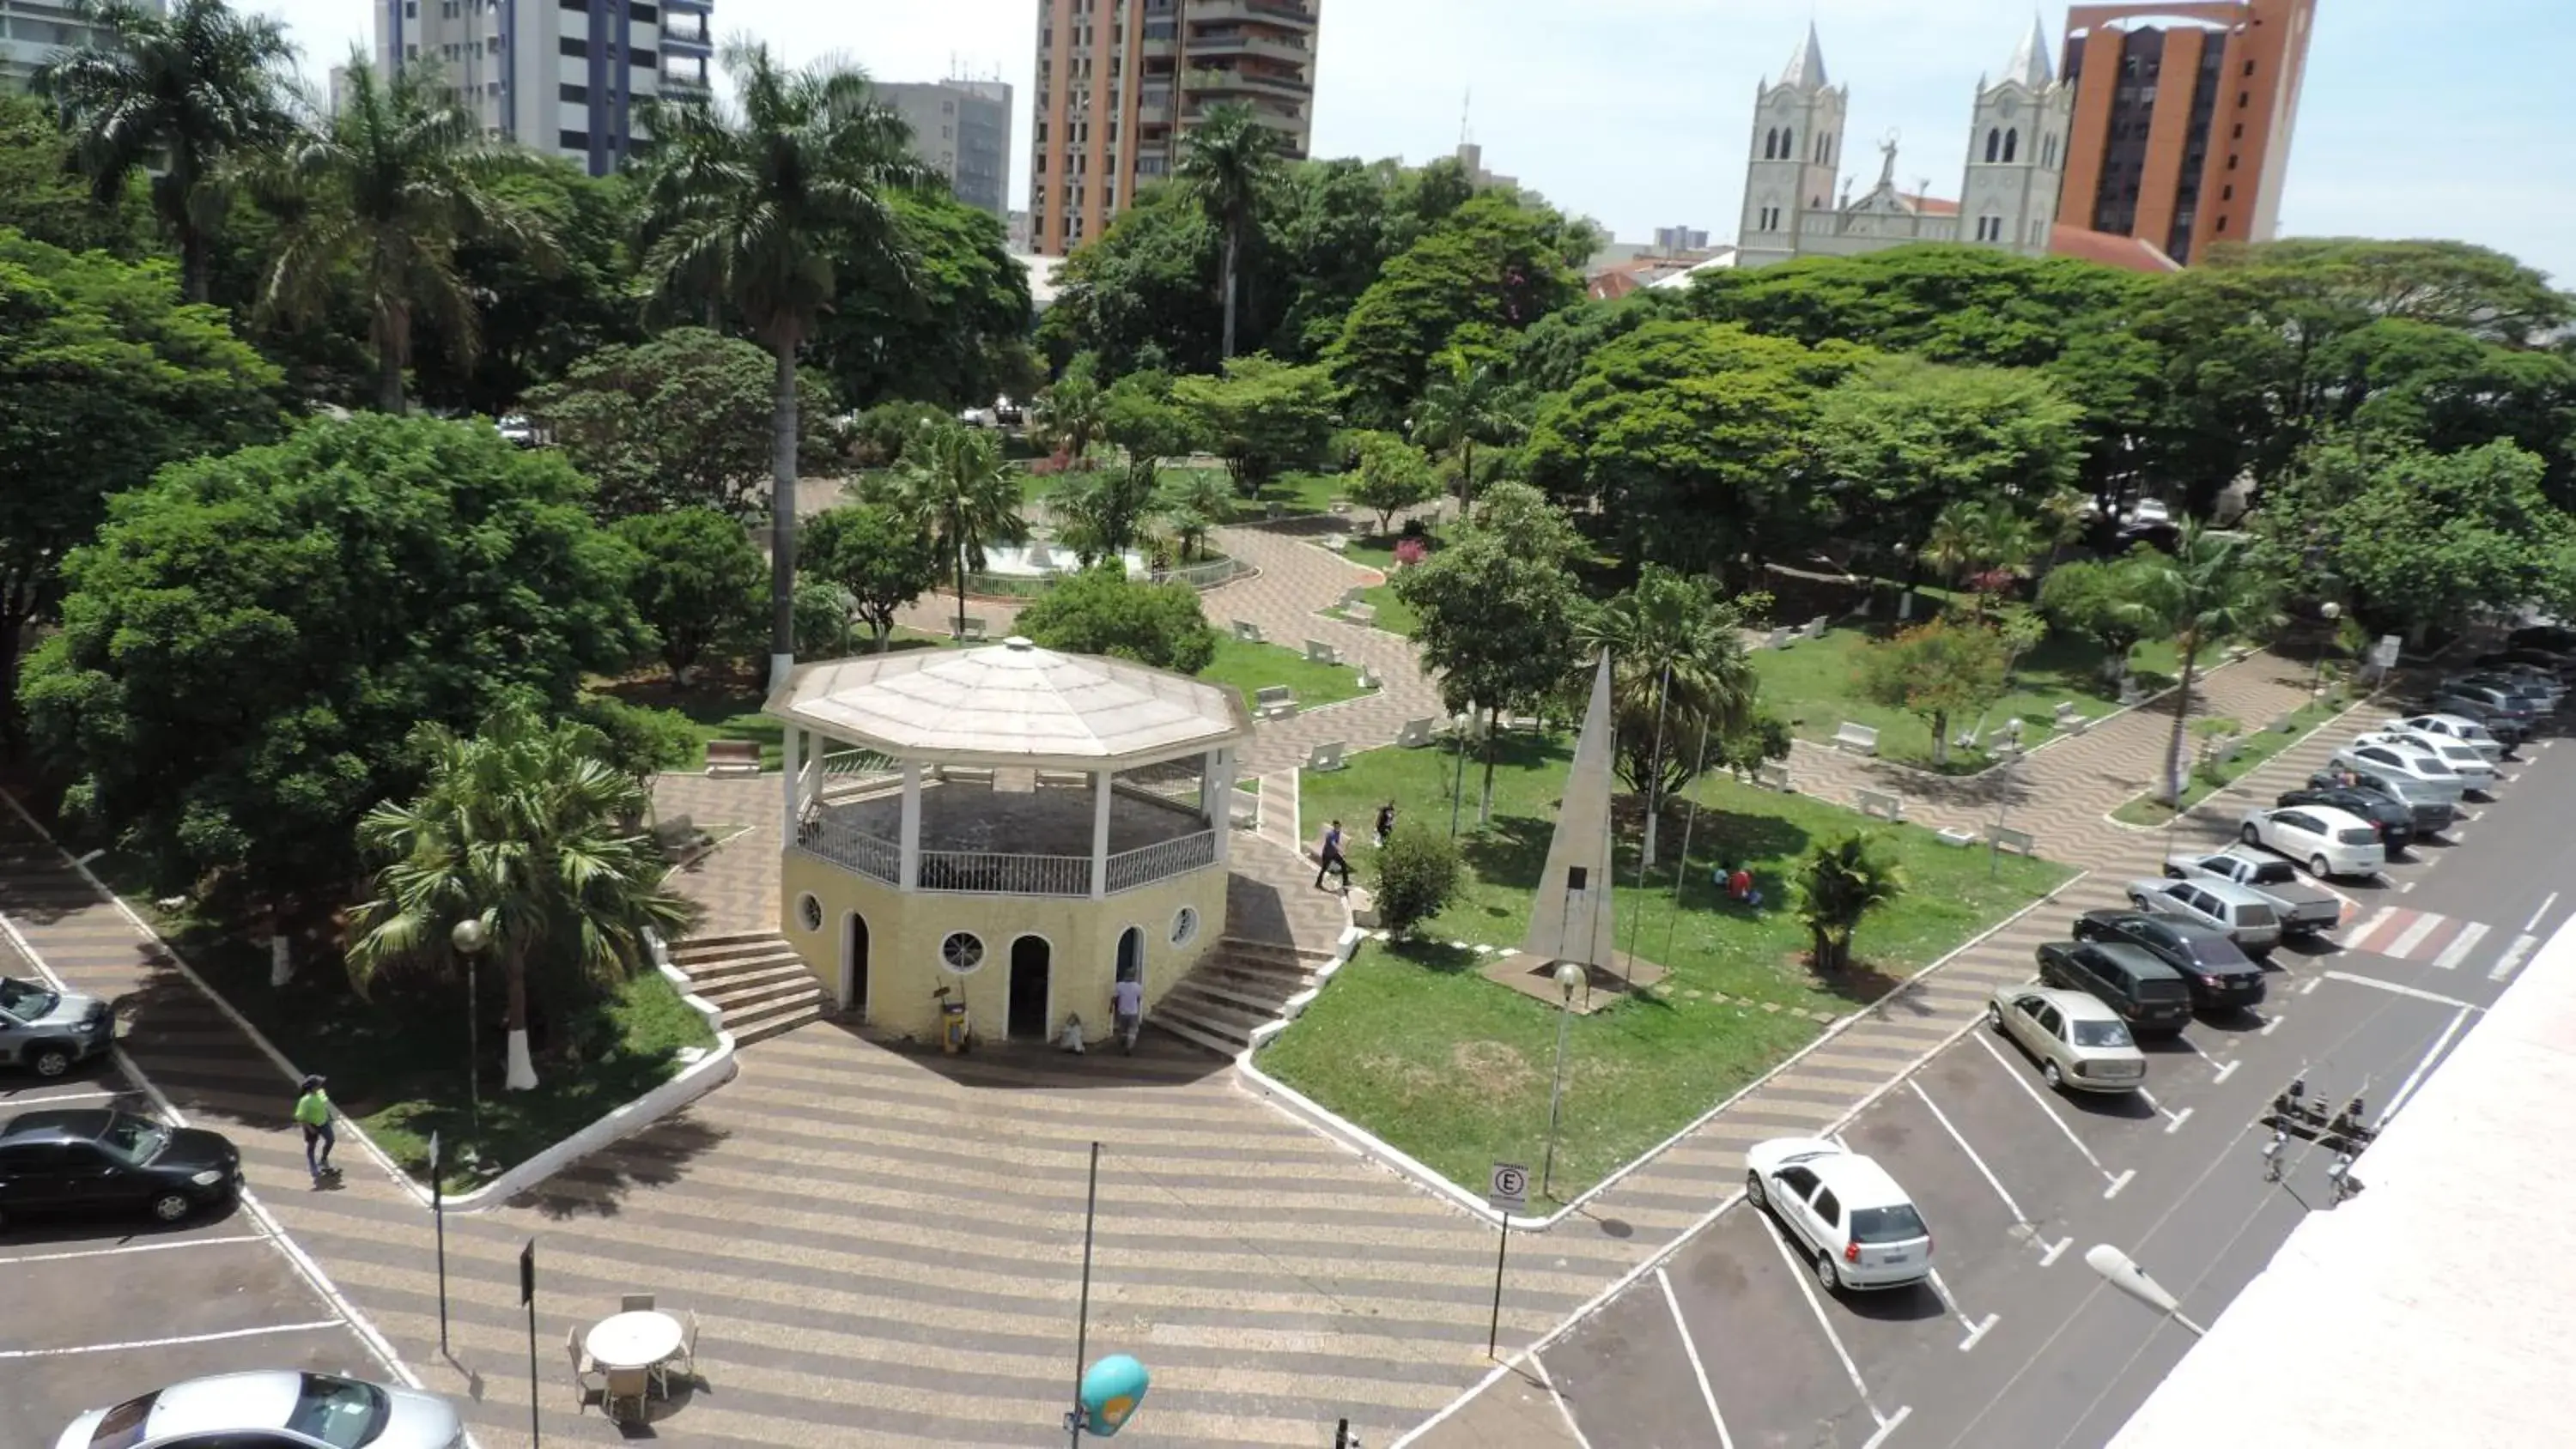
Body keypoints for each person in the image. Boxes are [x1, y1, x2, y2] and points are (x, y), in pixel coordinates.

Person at [294, 1076, 337, 1185]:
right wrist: (309, 1128)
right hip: (311, 1124)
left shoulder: (321, 1093)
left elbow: (324, 1106)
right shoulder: (305, 1101)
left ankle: (323, 1159)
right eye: (318, 1085)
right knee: (311, 1145)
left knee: (331, 1140)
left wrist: (329, 1116)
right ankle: (312, 1165)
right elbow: (300, 1117)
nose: (320, 1086)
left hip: (323, 1122)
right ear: (312, 1087)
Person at [1315, 820, 1352, 891]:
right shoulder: (1331, 834)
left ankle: (1345, 881)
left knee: (1343, 864)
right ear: (1334, 827)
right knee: (1324, 869)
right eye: (1337, 827)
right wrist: (1342, 852)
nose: (1339, 828)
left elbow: (1337, 843)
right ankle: (1318, 883)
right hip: (1327, 855)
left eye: (1339, 827)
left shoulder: (1337, 833)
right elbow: (1334, 844)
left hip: (1334, 854)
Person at [1111, 973, 1144, 1052]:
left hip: (1122, 1011)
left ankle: (1123, 1041)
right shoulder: (1137, 987)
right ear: (1133, 977)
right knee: (1132, 1030)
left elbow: (1115, 998)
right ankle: (1129, 1046)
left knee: (1123, 1028)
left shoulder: (1119, 985)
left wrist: (1111, 1007)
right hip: (1133, 1012)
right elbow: (1139, 999)